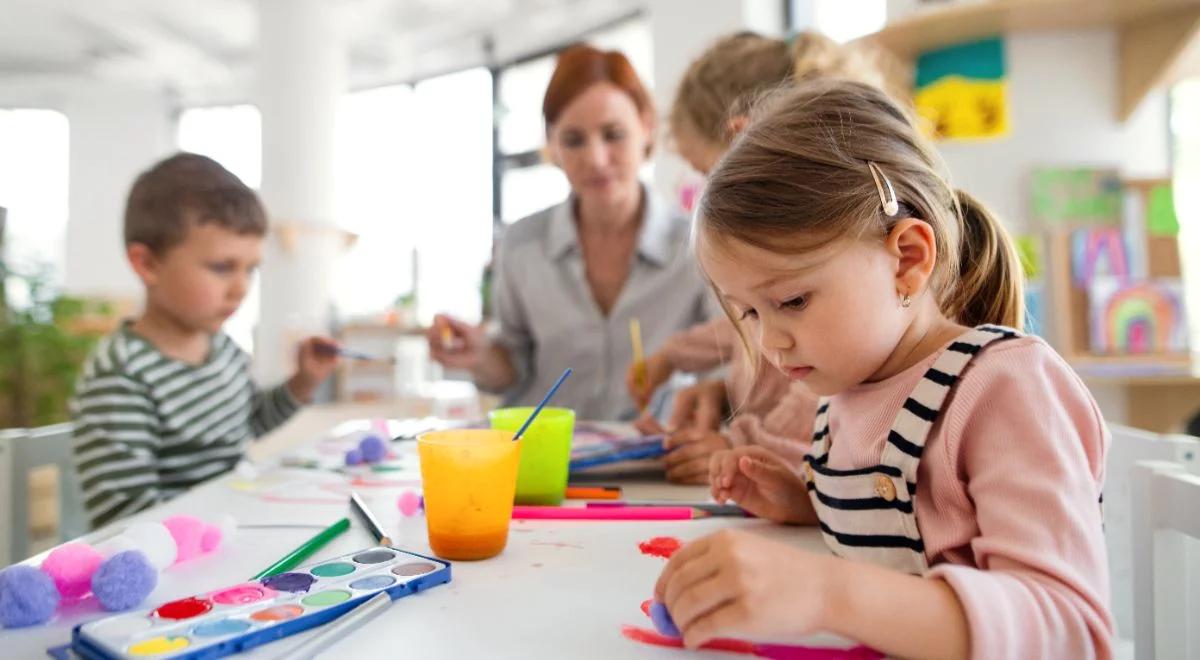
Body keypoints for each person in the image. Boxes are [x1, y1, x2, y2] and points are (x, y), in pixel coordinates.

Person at [655, 80, 1113, 659]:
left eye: (792, 301)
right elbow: (897, 538)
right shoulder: (847, 389)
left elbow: (1068, 629)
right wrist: (804, 502)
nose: (769, 341)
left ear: (907, 260)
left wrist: (826, 592)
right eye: (748, 311)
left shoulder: (1007, 388)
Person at [628, 31, 899, 482]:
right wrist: (696, 371)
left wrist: (741, 443)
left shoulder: (824, 251)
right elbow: (746, 329)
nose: (705, 200)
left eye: (706, 176)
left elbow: (823, 394)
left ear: (741, 142)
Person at [428, 44, 711, 421]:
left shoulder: (699, 244)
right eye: (574, 140)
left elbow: (723, 365)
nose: (595, 159)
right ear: (553, 143)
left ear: (646, 127)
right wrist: (479, 355)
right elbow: (512, 368)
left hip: (656, 459)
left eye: (613, 134)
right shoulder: (521, 244)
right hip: (544, 460)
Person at [71, 153, 339, 528]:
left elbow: (250, 422)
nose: (240, 289)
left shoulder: (223, 350)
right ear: (147, 264)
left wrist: (303, 381)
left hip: (231, 529)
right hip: (179, 561)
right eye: (221, 267)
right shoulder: (120, 376)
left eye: (250, 269)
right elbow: (127, 523)